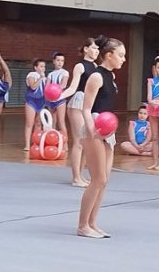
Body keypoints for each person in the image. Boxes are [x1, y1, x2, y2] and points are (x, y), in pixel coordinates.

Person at [77, 36, 126, 238]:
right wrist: (93, 132)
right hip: (95, 129)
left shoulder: (111, 76)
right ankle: (82, 225)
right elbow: (86, 108)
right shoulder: (96, 76)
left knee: (104, 181)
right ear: (109, 55)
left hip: (107, 130)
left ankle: (92, 222)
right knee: (97, 179)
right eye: (121, 55)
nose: (123, 59)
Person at [58, 38, 100, 187]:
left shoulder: (96, 66)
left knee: (86, 142)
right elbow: (72, 88)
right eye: (94, 48)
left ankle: (81, 175)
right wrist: (59, 96)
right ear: (86, 49)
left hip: (90, 103)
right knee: (79, 141)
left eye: (98, 49)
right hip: (79, 101)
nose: (96, 51)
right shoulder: (80, 66)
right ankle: (76, 178)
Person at [23, 59, 47, 151]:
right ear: (35, 67)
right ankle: (27, 145)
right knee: (29, 123)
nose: (43, 68)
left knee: (38, 123)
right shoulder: (31, 75)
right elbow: (33, 86)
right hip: (31, 100)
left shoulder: (45, 78)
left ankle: (36, 142)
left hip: (41, 101)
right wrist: (40, 78)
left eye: (44, 67)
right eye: (41, 66)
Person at [47, 52, 70, 132]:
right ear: (54, 61)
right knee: (51, 121)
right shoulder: (50, 74)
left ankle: (65, 139)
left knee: (61, 122)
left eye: (62, 61)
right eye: (58, 60)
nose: (60, 62)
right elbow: (47, 86)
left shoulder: (65, 72)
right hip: (51, 99)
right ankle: (52, 137)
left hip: (60, 98)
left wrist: (55, 91)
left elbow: (63, 84)